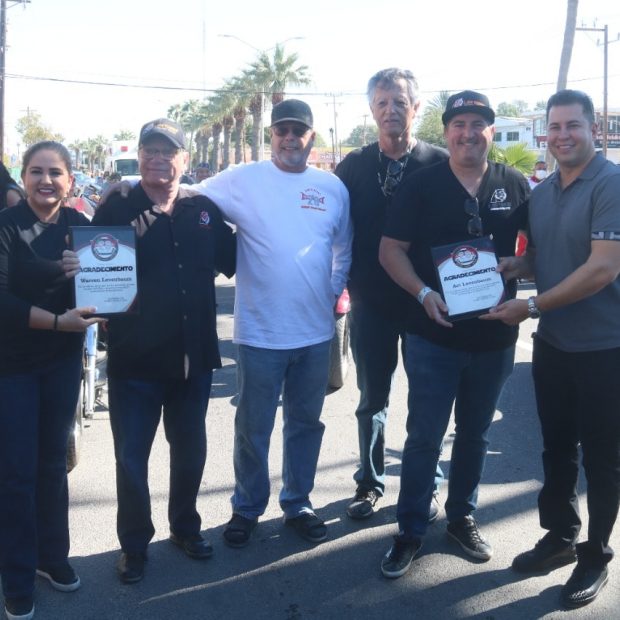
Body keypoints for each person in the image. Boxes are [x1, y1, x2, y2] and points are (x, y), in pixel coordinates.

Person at [72, 118, 236, 585]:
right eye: (150, 150)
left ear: (184, 159)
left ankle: (185, 528)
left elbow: (239, 259)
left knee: (189, 452)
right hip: (135, 359)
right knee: (131, 458)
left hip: (193, 357)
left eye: (169, 151)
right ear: (140, 156)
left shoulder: (203, 208)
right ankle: (134, 545)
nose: (158, 159)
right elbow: (91, 266)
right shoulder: (117, 204)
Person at [378, 91, 529, 579]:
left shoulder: (515, 183)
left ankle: (462, 516)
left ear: (490, 130)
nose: (469, 132)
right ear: (446, 132)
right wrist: (423, 292)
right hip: (432, 335)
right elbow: (390, 251)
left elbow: (538, 252)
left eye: (478, 124)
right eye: (459, 123)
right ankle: (410, 529)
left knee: (476, 434)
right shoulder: (422, 185)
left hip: (494, 336)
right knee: (424, 436)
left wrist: (519, 265)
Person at [484, 90, 620, 609]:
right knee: (556, 448)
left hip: (606, 347)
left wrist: (534, 307)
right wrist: (515, 269)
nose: (563, 135)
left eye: (573, 125)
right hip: (555, 346)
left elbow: (603, 267)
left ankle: (596, 554)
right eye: (555, 127)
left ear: (593, 130)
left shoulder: (611, 184)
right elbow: (548, 260)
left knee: (604, 460)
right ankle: (561, 535)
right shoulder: (542, 193)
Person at [194, 99, 352, 546]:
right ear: (270, 137)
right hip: (260, 334)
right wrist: (123, 191)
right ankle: (246, 507)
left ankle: (298, 502)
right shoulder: (243, 180)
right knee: (252, 427)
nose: (289, 139)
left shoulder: (332, 188)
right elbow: (185, 194)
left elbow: (344, 247)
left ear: (311, 138)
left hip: (315, 334)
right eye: (281, 131)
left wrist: (330, 290)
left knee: (305, 424)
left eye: (297, 131)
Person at [335, 68, 448, 520]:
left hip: (428, 305)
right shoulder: (353, 167)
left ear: (416, 109)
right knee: (372, 400)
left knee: (429, 401)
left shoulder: (439, 163)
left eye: (400, 102)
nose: (390, 110)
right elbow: (331, 230)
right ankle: (369, 482)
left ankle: (428, 482)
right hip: (372, 306)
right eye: (382, 102)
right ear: (371, 110)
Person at [0, 142, 101, 620]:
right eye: (36, 171)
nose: (46, 180)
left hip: (61, 365)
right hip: (12, 367)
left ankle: (50, 558)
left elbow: (106, 287)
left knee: (51, 466)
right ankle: (16, 577)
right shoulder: (5, 227)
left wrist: (107, 299)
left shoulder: (80, 230)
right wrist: (61, 321)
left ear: (71, 181)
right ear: (22, 177)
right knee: (16, 474)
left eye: (55, 172)